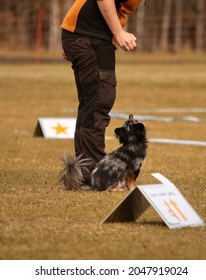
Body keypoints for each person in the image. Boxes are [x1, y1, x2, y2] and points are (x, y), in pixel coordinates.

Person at [61, 0, 144, 185]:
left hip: (85, 36)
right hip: (89, 38)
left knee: (91, 104)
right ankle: (96, 174)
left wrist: (71, 37)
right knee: (99, 101)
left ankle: (84, 172)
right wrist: (119, 32)